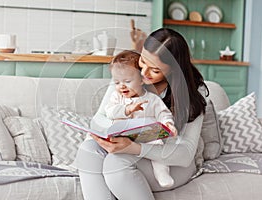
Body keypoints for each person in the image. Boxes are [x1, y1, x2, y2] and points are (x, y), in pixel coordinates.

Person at [75, 28, 209, 200]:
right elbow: (100, 118)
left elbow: (185, 154)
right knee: (88, 150)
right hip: (130, 149)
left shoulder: (191, 92)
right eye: (143, 62)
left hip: (170, 162)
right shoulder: (128, 74)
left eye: (155, 70)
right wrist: (110, 135)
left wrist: (134, 148)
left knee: (116, 163)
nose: (144, 73)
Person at [105, 50, 177, 187]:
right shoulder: (117, 97)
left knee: (158, 145)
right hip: (123, 136)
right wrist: (127, 109)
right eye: (117, 82)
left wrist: (168, 123)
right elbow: (110, 112)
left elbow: (163, 113)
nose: (122, 86)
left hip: (146, 136)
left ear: (142, 79)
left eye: (127, 81)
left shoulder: (152, 98)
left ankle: (162, 173)